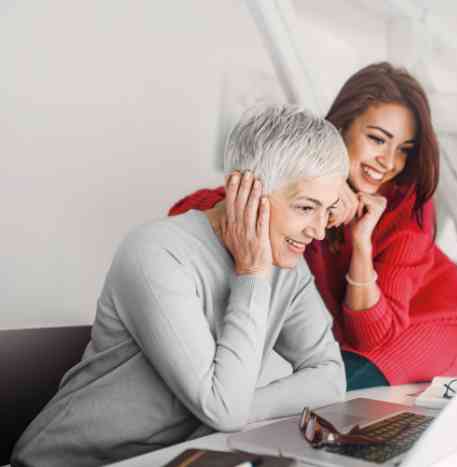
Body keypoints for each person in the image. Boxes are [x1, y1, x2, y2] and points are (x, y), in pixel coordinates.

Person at [12, 105, 348, 467]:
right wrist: (252, 272)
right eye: (305, 208)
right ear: (246, 190)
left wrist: (235, 403)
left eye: (327, 211)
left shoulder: (288, 268)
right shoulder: (155, 252)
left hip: (172, 460)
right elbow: (222, 411)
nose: (318, 231)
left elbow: (330, 377)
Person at [169, 62, 457, 391]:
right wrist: (327, 191)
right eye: (377, 139)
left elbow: (370, 337)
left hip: (435, 324)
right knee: (305, 389)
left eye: (404, 150)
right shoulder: (309, 173)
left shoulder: (408, 209)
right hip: (356, 338)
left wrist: (362, 243)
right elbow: (185, 213)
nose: (390, 162)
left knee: (333, 389)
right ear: (342, 127)